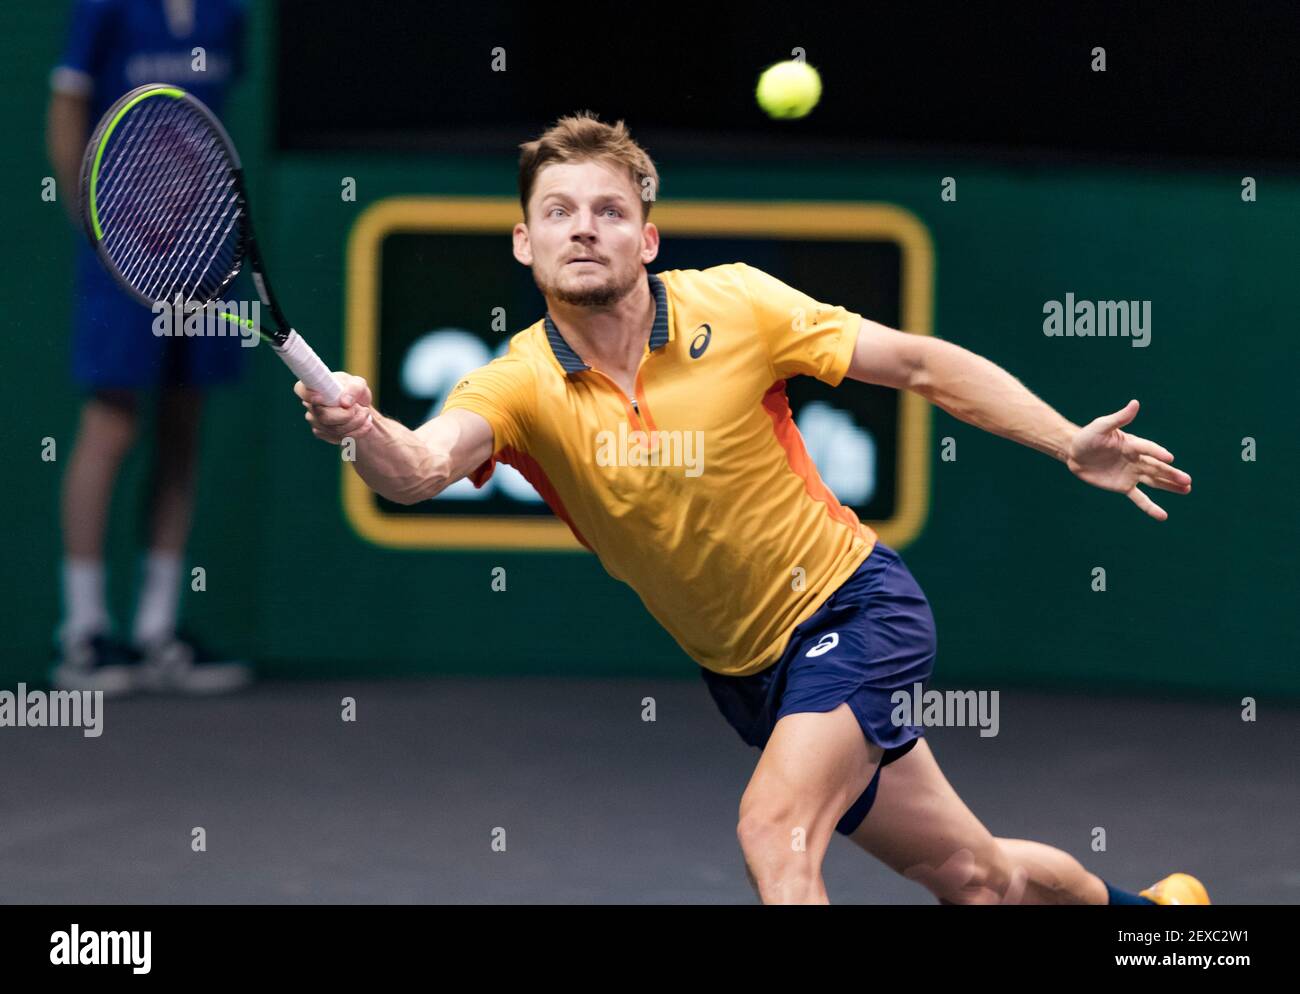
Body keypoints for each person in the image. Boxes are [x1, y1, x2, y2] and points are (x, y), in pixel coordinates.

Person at [297, 112, 1205, 905]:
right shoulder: (517, 387)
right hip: (749, 676)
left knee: (774, 830)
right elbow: (417, 467)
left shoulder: (737, 303)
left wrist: (1065, 440)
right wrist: (360, 428)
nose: (585, 230)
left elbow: (922, 365)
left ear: (647, 239)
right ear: (524, 243)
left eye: (610, 211)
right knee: (976, 879)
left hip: (856, 609)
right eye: (559, 213)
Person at [47, 0, 252, 696]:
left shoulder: (228, 12)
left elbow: (208, 122)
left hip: (201, 246)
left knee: (183, 425)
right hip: (123, 249)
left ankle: (157, 631)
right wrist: (96, 222)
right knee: (111, 426)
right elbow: (67, 105)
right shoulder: (103, 7)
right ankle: (84, 633)